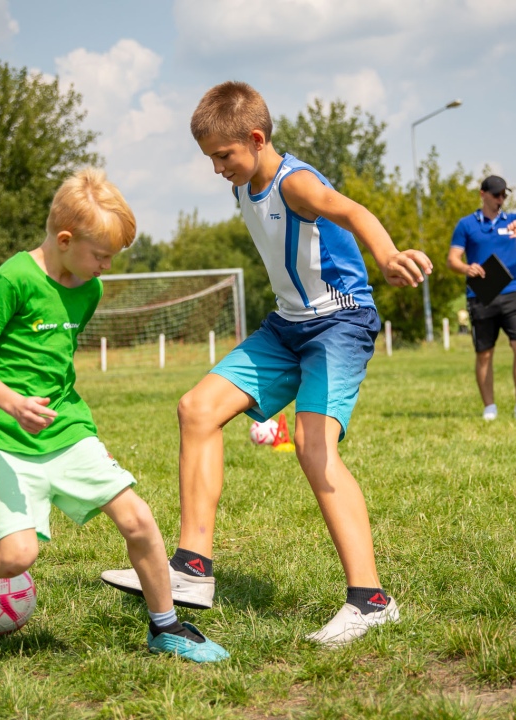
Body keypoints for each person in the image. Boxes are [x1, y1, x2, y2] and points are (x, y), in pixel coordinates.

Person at [101, 81, 432, 647]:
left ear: (256, 139)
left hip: (339, 322)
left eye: (224, 156)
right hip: (287, 326)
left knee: (312, 446)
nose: (217, 169)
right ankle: (191, 568)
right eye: (210, 158)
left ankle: (372, 602)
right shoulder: (245, 182)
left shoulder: (295, 182)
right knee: (197, 409)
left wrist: (387, 255)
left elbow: (351, 210)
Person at [0, 168, 228, 663]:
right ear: (65, 240)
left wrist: (70, 423)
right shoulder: (14, 279)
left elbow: (57, 365)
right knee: (17, 555)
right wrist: (13, 403)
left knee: (138, 519)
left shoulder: (88, 289)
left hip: (64, 425)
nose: (107, 267)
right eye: (101, 255)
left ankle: (166, 627)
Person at [447, 175, 516, 421]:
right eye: (496, 195)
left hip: (512, 291)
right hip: (481, 295)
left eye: (504, 195)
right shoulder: (466, 225)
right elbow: (452, 260)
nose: (501, 199)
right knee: (484, 353)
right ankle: (490, 408)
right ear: (482, 194)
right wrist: (466, 268)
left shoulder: (512, 220)